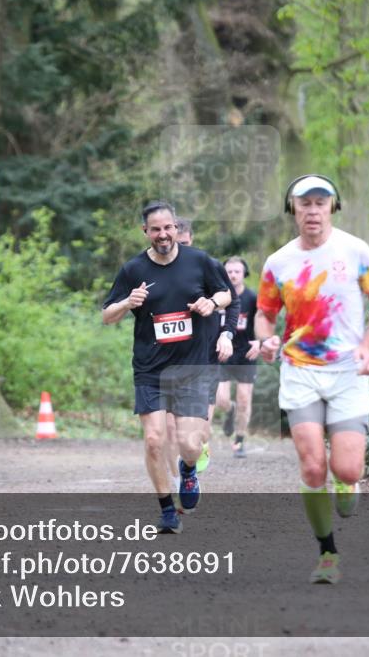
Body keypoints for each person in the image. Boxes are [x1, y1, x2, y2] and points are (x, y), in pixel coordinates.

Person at [255, 175, 369, 583]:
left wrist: (368, 345)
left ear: (332, 207)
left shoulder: (355, 251)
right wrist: (266, 341)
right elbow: (264, 313)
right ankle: (327, 554)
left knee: (347, 469)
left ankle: (349, 484)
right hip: (300, 372)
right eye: (305, 203)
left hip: (348, 372)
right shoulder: (278, 262)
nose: (313, 210)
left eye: (320, 202)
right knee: (314, 468)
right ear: (293, 209)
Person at [103, 201, 232, 534]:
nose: (163, 234)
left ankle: (188, 471)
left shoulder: (200, 261)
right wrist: (126, 303)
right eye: (155, 229)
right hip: (152, 370)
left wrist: (211, 302)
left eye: (168, 227)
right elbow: (107, 316)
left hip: (192, 368)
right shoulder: (133, 270)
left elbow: (226, 294)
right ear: (145, 232)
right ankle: (166, 510)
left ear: (177, 228)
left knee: (190, 445)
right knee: (154, 441)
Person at [163, 218, 237, 483]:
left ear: (191, 240)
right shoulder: (156, 269)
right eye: (174, 243)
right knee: (170, 429)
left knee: (199, 433)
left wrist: (226, 335)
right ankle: (178, 483)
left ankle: (198, 451)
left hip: (204, 359)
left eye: (184, 243)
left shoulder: (206, 266)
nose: (178, 249)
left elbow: (233, 301)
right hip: (169, 361)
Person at [214, 256, 259, 458]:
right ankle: (229, 410)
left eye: (236, 271)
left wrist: (260, 342)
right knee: (221, 399)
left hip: (245, 354)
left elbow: (262, 323)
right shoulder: (218, 297)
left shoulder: (252, 298)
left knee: (244, 398)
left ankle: (239, 441)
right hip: (223, 352)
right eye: (229, 271)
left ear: (244, 274)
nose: (232, 275)